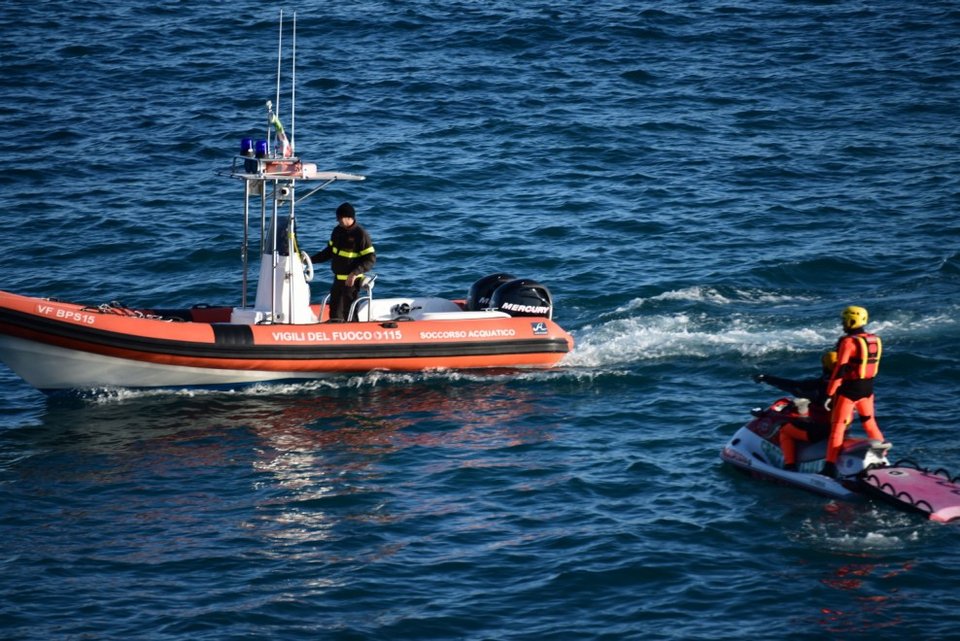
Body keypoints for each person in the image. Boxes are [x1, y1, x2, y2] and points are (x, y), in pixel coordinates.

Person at [819, 305, 885, 478]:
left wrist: (829, 393)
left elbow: (840, 369)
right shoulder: (874, 339)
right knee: (869, 423)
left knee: (838, 428)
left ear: (851, 320)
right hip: (868, 390)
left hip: (849, 391)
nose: (842, 324)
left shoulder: (848, 341)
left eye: (844, 320)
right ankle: (882, 456)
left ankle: (829, 467)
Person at [754, 351, 836, 471]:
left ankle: (790, 465)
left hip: (821, 431)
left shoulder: (818, 386)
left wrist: (766, 378)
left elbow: (791, 385)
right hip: (842, 429)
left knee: (785, 430)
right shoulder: (851, 384)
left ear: (824, 366)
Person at [310, 202, 376, 322]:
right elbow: (329, 252)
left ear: (349, 217)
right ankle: (334, 334)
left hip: (351, 281)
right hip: (338, 280)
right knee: (334, 310)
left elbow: (370, 259)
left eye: (340, 218)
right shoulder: (337, 231)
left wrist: (354, 273)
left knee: (349, 311)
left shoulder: (360, 234)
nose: (338, 220)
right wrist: (310, 260)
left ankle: (354, 334)